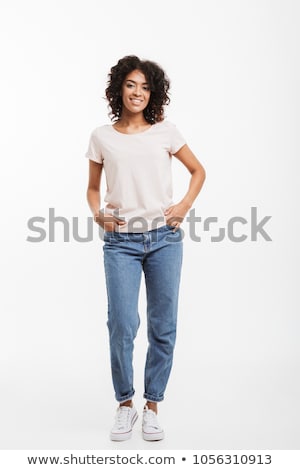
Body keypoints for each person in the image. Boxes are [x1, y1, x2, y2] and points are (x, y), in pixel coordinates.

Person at [85, 55, 206, 441]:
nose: (138, 92)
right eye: (131, 85)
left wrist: (184, 206)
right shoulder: (101, 136)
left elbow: (198, 171)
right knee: (122, 325)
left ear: (152, 93)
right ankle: (125, 405)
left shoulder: (166, 132)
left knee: (163, 327)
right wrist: (97, 214)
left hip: (164, 240)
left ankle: (152, 406)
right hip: (120, 242)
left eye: (145, 87)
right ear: (119, 88)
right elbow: (92, 188)